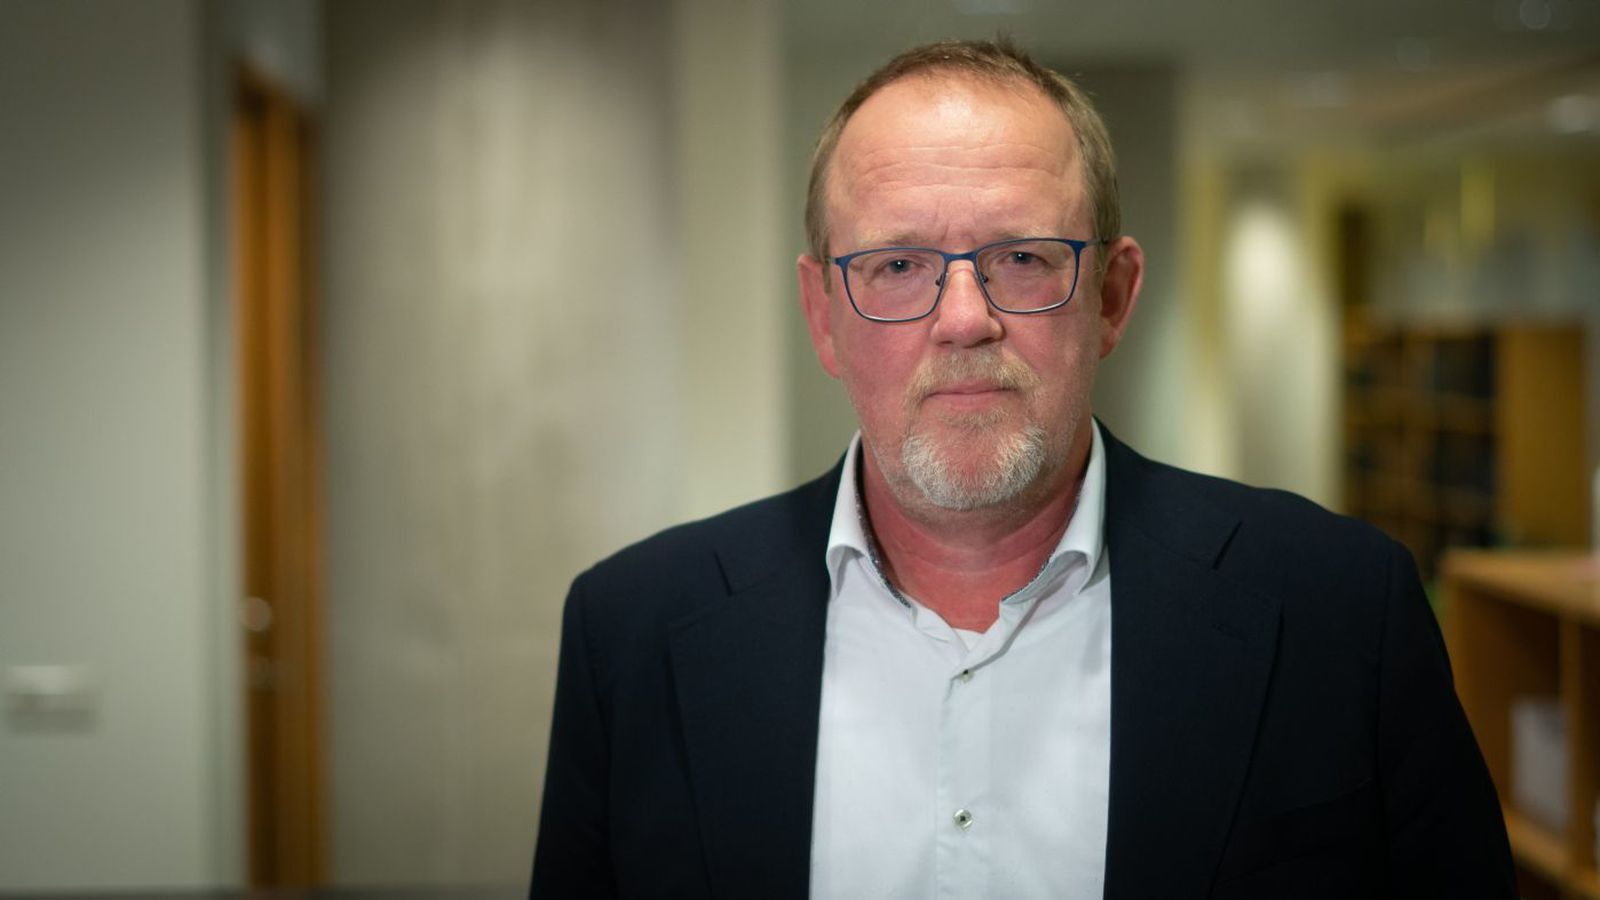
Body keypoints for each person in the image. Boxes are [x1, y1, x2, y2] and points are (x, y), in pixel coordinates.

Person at [530, 38, 1514, 899]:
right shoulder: (632, 635)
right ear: (824, 316)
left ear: (1112, 298)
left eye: (1024, 259)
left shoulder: (1342, 611)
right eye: (898, 265)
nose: (965, 320)